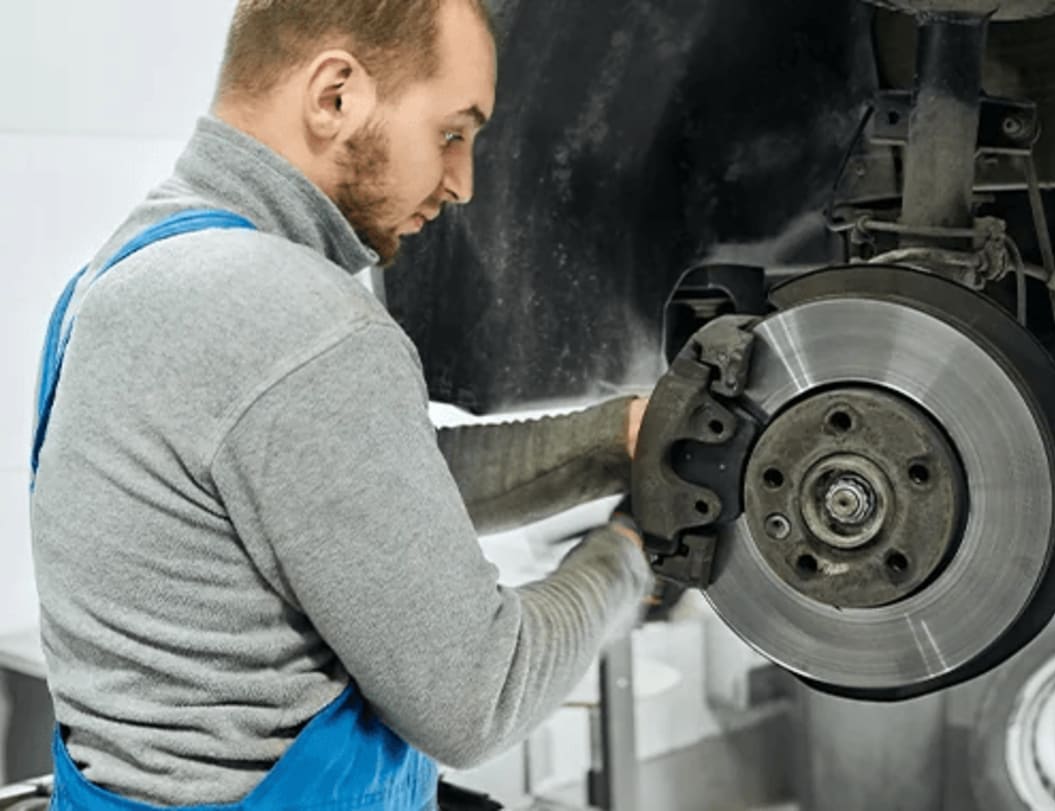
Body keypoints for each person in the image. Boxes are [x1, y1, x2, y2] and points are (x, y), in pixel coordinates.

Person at [28, 1, 656, 807]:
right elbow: (480, 696)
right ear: (335, 96)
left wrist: (617, 441)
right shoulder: (300, 316)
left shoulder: (124, 274)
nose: (464, 183)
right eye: (453, 133)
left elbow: (366, 481)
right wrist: (631, 555)